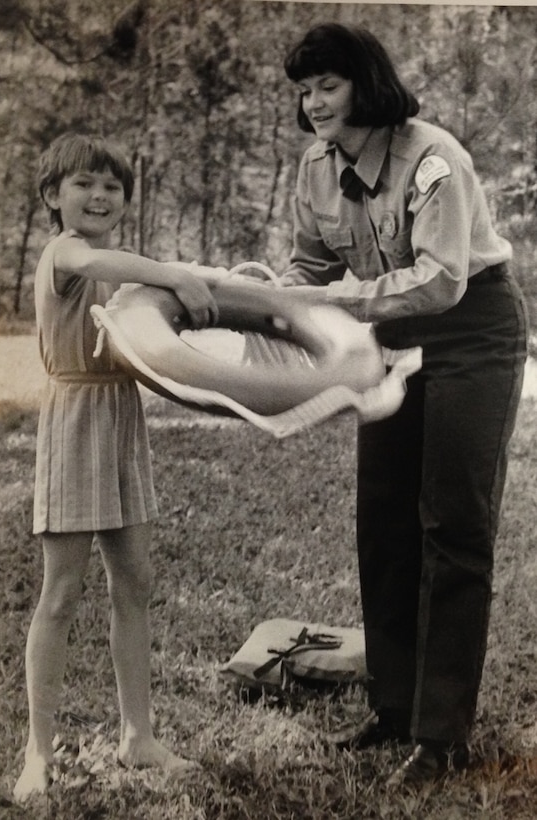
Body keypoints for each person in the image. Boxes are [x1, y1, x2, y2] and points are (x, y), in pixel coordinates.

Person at [280, 23, 528, 788]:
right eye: (305, 90)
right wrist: (272, 301)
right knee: (383, 521)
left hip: (470, 330)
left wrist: (329, 299)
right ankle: (392, 710)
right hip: (386, 338)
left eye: (329, 85)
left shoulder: (431, 156)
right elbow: (307, 267)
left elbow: (441, 280)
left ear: (367, 82)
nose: (315, 103)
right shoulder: (315, 167)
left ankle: (441, 736)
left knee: (453, 527)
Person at [14, 133, 221, 802]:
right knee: (62, 592)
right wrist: (175, 271)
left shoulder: (121, 273)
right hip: (73, 418)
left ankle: (138, 736)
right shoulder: (64, 253)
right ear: (53, 197)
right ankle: (35, 753)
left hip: (121, 418)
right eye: (84, 184)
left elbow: (151, 339)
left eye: (112, 187)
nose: (100, 195)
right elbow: (102, 260)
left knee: (135, 581)